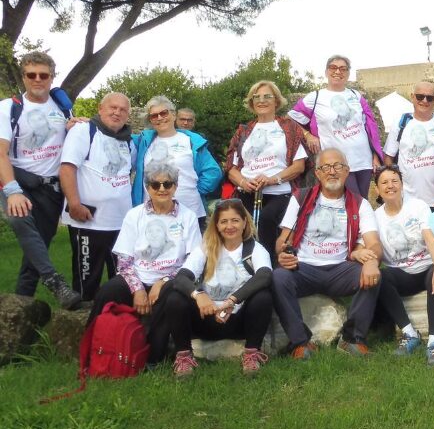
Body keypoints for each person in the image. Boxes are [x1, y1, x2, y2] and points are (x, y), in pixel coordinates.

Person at [271, 148, 383, 358]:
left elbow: (374, 243)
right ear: (318, 173)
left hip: (340, 268)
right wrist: (283, 253)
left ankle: (352, 338)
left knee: (373, 274)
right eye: (326, 167)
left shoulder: (360, 204)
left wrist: (371, 261)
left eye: (338, 166)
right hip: (304, 267)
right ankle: (300, 342)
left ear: (347, 171)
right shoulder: (301, 198)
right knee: (278, 277)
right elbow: (282, 240)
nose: (332, 171)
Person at [87, 162, 202, 366]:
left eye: (167, 184)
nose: (162, 189)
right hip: (138, 276)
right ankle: (92, 350)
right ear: (147, 187)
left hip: (172, 280)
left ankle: (152, 356)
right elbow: (124, 260)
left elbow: (193, 261)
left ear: (175, 186)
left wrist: (164, 280)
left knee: (171, 295)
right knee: (107, 292)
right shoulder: (134, 215)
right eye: (155, 184)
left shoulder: (188, 216)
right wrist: (138, 289)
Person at [0, 51, 81, 308]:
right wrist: (12, 190)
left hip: (50, 189)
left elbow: (67, 143)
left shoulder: (62, 106)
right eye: (31, 74)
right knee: (19, 219)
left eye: (43, 75)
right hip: (18, 181)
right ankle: (54, 281)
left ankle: (21, 309)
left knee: (36, 250)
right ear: (23, 77)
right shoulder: (8, 108)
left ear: (51, 77)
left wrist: (73, 127)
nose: (37, 80)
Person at [162, 199, 275, 377]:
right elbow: (181, 278)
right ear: (216, 225)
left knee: (263, 296)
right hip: (206, 317)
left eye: (235, 220)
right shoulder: (206, 248)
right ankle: (184, 356)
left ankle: (252, 353)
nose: (229, 226)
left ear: (244, 222)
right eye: (224, 221)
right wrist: (199, 295)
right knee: (175, 297)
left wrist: (232, 300)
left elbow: (265, 275)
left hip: (239, 320)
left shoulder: (255, 249)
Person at [59, 92, 136, 301]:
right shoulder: (84, 131)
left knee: (121, 281)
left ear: (128, 115)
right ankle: (84, 326)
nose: (117, 112)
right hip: (88, 221)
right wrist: (74, 204)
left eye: (123, 110)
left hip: (121, 223)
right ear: (100, 109)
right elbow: (67, 168)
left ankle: (118, 324)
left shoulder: (129, 141)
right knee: (87, 282)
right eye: (112, 107)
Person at [371, 166, 434, 365]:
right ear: (377, 189)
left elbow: (430, 238)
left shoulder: (418, 206)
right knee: (382, 277)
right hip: (401, 273)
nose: (390, 186)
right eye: (385, 182)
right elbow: (368, 246)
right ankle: (409, 333)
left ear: (402, 184)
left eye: (394, 180)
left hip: (426, 268)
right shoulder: (375, 217)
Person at [225, 80, 307, 263]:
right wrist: (244, 182)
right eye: (257, 97)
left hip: (279, 191)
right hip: (247, 190)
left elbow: (299, 165)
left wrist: (272, 179)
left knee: (266, 219)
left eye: (267, 96)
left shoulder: (289, 128)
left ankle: (269, 266)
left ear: (276, 101)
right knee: (237, 221)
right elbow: (231, 167)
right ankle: (242, 266)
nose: (262, 101)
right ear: (252, 102)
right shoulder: (244, 131)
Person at [289, 55, 384, 197]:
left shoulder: (356, 95)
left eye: (343, 69)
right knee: (351, 203)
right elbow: (291, 119)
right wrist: (308, 135)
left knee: (362, 202)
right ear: (326, 72)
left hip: (363, 160)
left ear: (348, 73)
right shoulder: (315, 97)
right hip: (337, 164)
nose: (338, 72)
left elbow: (370, 127)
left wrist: (375, 155)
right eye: (333, 68)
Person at [132, 96, 221, 230]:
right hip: (152, 212)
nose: (160, 118)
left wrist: (195, 191)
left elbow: (213, 172)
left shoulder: (191, 141)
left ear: (173, 114)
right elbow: (116, 133)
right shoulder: (143, 141)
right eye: (154, 116)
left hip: (189, 211)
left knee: (191, 251)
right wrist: (89, 123)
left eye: (164, 113)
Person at [382, 81, 434, 209]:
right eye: (420, 96)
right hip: (408, 201)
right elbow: (388, 157)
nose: (424, 101)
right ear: (412, 97)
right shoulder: (401, 122)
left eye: (429, 98)